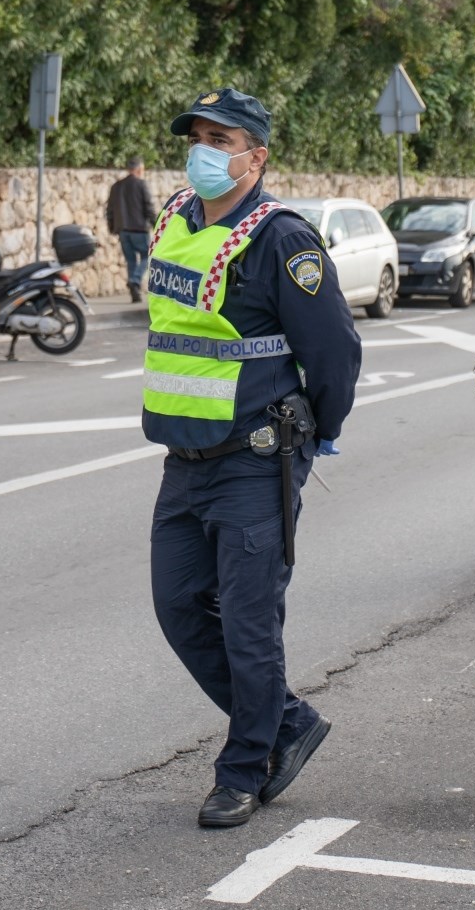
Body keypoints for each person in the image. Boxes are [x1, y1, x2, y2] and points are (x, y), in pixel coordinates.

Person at [142, 88, 362, 828]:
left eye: (221, 139)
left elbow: (335, 350)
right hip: (184, 459)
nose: (203, 149)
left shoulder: (282, 240)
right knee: (178, 608)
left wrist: (313, 436)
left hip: (255, 459)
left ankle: (244, 766)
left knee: (247, 621)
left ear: (256, 156)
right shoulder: (176, 219)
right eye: (197, 135)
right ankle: (288, 722)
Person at [107, 156, 157, 302]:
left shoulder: (116, 186)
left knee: (131, 261)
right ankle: (134, 281)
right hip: (139, 229)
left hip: (122, 230)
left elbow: (110, 209)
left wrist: (112, 227)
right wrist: (156, 224)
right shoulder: (141, 185)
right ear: (139, 169)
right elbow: (149, 207)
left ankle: (134, 293)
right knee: (147, 257)